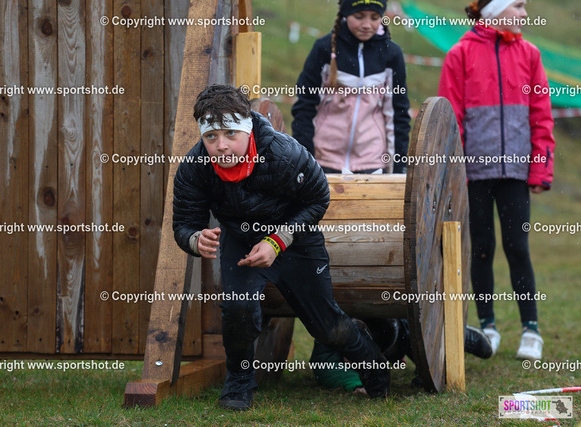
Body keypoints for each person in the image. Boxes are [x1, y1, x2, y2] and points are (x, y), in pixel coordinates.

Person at [173, 84, 391, 411]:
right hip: (242, 243)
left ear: (247, 128)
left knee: (326, 327)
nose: (221, 145)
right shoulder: (194, 167)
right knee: (237, 309)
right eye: (211, 137)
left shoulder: (284, 153)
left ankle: (373, 365)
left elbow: (318, 199)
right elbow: (183, 223)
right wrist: (195, 239)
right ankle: (239, 382)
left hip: (296, 241)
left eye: (230, 134)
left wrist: (277, 241)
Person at [438, 0, 555, 361]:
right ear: (495, 11)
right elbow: (450, 117)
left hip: (515, 174)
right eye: (518, 6)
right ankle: (487, 325)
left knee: (517, 247)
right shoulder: (459, 54)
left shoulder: (531, 55)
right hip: (473, 175)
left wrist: (540, 169)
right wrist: (455, 172)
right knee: (482, 248)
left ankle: (531, 330)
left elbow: (542, 116)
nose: (524, 14)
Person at [291, 0, 410, 174]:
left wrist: (398, 169)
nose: (367, 24)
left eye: (374, 17)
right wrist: (305, 161)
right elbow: (304, 107)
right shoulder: (323, 49)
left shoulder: (392, 54)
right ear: (345, 14)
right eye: (359, 17)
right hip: (323, 160)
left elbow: (398, 114)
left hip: (373, 162)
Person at [310, 319, 493, 394]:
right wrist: (357, 384)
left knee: (483, 348)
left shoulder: (400, 334)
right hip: (384, 341)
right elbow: (323, 368)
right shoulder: (330, 336)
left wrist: (426, 372)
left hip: (401, 327)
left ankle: (465, 334)